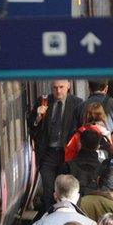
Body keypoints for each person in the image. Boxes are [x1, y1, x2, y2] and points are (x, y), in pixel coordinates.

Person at [30, 80, 84, 209]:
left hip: (67, 155)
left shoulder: (77, 103)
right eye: (55, 88)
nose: (58, 91)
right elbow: (31, 126)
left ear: (68, 86)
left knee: (66, 191)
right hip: (48, 154)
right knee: (49, 191)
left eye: (61, 87)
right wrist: (38, 117)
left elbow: (81, 128)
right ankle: (51, 213)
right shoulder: (43, 101)